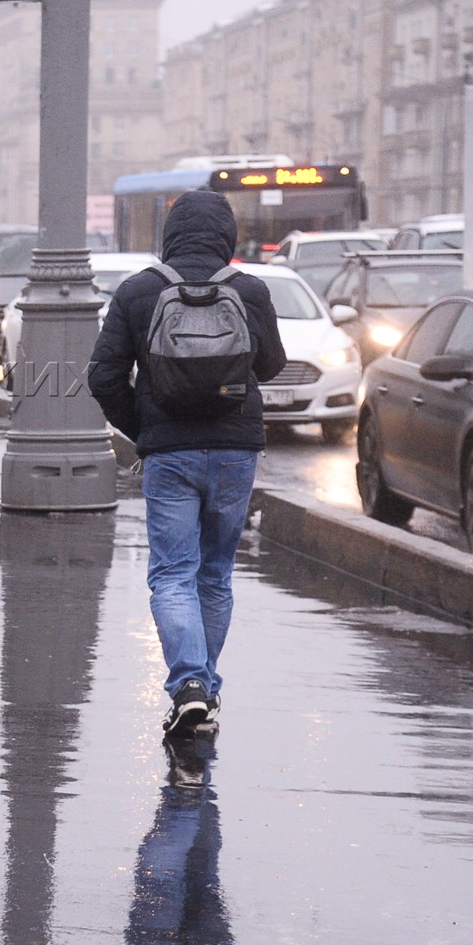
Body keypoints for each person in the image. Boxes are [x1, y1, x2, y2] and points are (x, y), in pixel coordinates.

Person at [87, 191, 286, 738]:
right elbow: (271, 366)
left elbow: (103, 378)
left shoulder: (139, 291)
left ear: (169, 233)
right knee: (215, 575)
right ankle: (204, 690)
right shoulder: (249, 289)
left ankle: (190, 686)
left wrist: (146, 428)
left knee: (173, 574)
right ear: (228, 234)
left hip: (169, 455)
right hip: (235, 451)